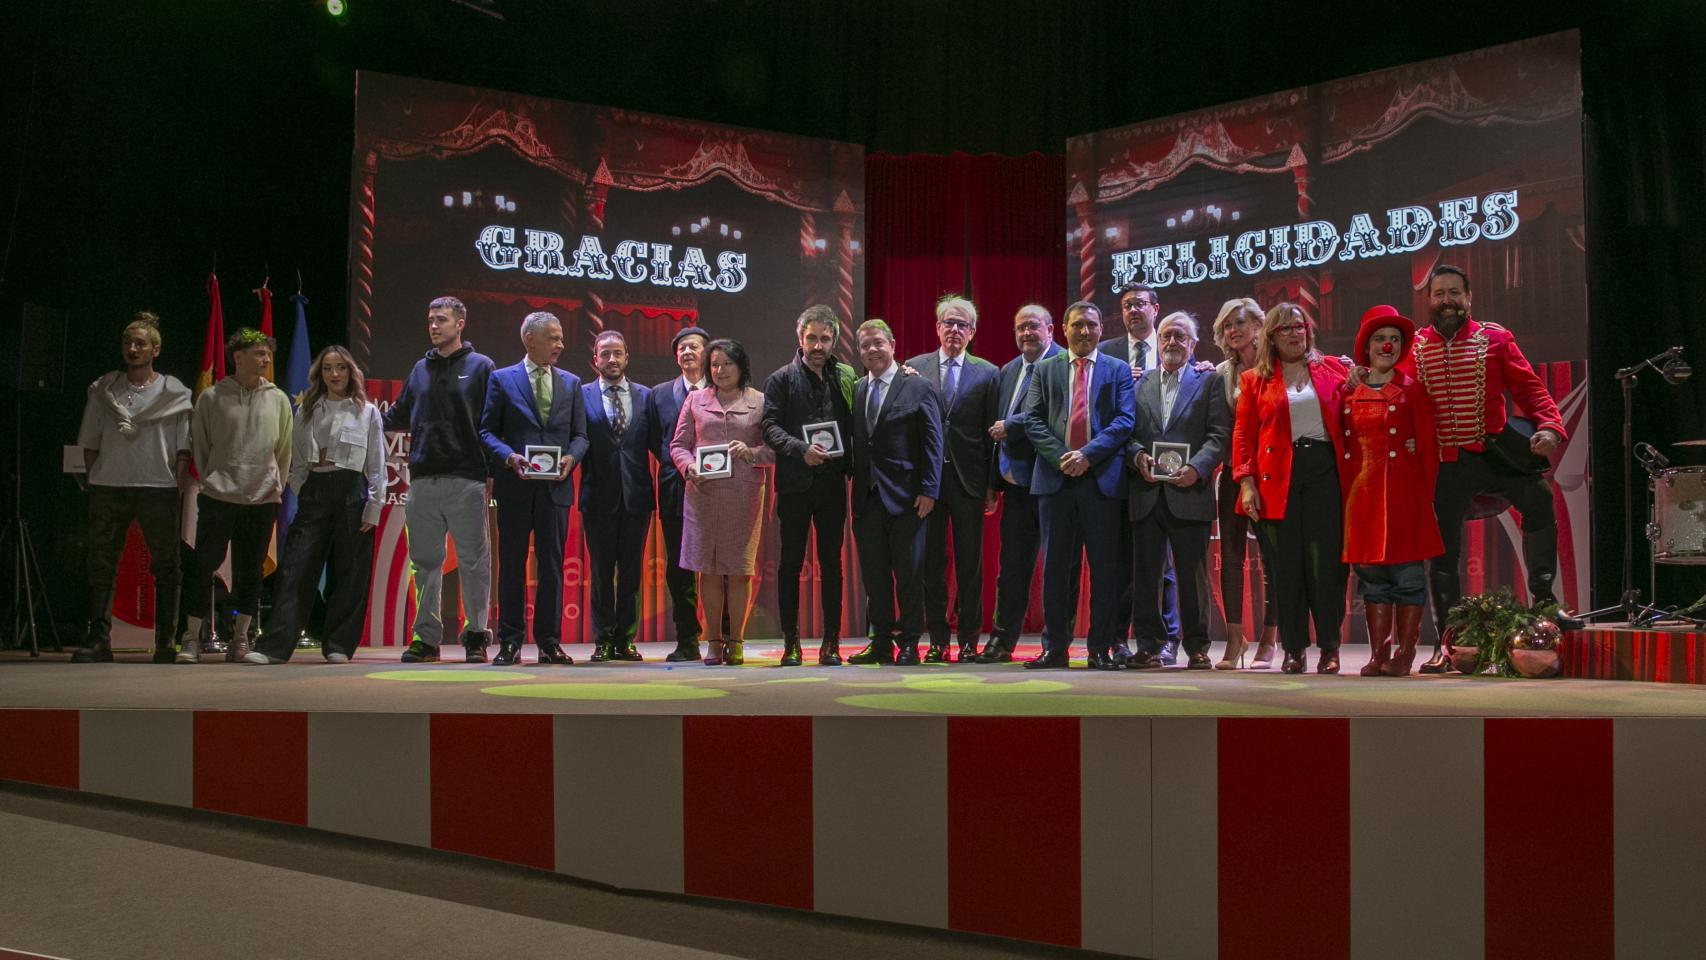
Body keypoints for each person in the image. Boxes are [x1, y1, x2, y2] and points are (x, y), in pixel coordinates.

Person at [1401, 264, 1567, 673]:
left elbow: (1530, 389)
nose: (1447, 300)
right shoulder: (1413, 348)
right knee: (1441, 551)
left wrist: (1550, 426)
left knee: (1540, 499)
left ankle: (1544, 603)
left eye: (1454, 293)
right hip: (1444, 462)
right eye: (1439, 293)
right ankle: (1448, 641)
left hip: (1494, 451)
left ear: (1468, 298)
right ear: (1429, 300)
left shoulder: (1494, 338)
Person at [244, 346, 385, 664]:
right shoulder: (307, 410)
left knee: (349, 572)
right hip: (315, 491)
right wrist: (305, 491)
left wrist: (374, 505)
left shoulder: (367, 411)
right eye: (328, 369)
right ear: (319, 374)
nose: (335, 375)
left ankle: (338, 645)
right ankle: (274, 647)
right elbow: (296, 466)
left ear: (351, 372)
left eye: (341, 368)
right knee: (296, 569)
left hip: (353, 491)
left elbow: (377, 464)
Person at [1230, 303, 1348, 674]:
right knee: (1285, 569)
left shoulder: (1335, 369)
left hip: (1325, 472)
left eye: (1300, 327)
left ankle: (1330, 648)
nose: (1295, 333)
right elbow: (1243, 436)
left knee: (1326, 567)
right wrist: (1246, 483)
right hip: (1275, 478)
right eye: (1286, 329)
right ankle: (1293, 649)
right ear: (1272, 337)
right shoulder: (1254, 379)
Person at [381, 296, 496, 663]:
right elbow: (397, 414)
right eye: (430, 319)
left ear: (460, 324)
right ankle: (426, 639)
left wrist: (491, 472)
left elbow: (491, 423)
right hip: (423, 480)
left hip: (467, 478)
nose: (433, 326)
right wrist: (357, 409)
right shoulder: (419, 370)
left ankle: (476, 634)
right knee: (425, 563)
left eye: (441, 320)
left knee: (473, 562)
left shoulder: (481, 367)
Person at [73, 312, 193, 663]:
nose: (132, 348)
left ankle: (165, 641)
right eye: (128, 342)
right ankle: (99, 639)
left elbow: (183, 447)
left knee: (166, 563)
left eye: (140, 343)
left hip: (157, 484)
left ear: (155, 349)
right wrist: (94, 476)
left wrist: (179, 483)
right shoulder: (104, 390)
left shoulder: (173, 393)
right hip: (110, 484)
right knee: (101, 561)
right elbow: (90, 439)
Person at [1023, 301, 1136, 670]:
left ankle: (1100, 649)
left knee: (1105, 570)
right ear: (1064, 330)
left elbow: (1124, 421)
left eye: (1091, 325)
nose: (1084, 332)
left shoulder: (1117, 370)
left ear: (1101, 328)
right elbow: (1034, 421)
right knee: (1055, 569)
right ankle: (1054, 648)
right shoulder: (1044, 369)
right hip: (1055, 481)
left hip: (1101, 480)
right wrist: (1063, 457)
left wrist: (1087, 454)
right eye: (1077, 326)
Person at [477, 312, 589, 667]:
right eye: (553, 338)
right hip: (515, 487)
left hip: (555, 490)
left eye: (560, 338)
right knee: (511, 564)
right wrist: (509, 457)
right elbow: (486, 432)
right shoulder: (501, 379)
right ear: (529, 340)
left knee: (552, 566)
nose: (561, 345)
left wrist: (572, 458)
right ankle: (510, 642)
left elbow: (581, 436)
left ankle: (549, 642)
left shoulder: (571, 383)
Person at [1339, 305, 1442, 677]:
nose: (1388, 345)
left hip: (1403, 495)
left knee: (1408, 577)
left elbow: (1428, 447)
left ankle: (1405, 654)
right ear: (1366, 347)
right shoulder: (1347, 392)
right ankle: (1378, 655)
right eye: (1381, 339)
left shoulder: (1412, 390)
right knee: (1372, 579)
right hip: (1362, 495)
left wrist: (1420, 493)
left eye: (1395, 340)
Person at [178, 328, 292, 663]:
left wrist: (274, 485)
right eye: (259, 353)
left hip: (261, 500)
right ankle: (191, 639)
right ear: (238, 357)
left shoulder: (279, 399)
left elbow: (284, 450)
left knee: (251, 571)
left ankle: (241, 638)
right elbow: (201, 448)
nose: (266, 359)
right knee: (202, 566)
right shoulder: (212, 398)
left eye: (268, 354)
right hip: (219, 496)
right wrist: (217, 479)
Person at [1125, 313, 1228, 670]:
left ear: (1193, 344)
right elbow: (1126, 433)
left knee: (1192, 576)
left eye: (1180, 337)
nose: (1172, 343)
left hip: (1190, 493)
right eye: (1167, 336)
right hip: (1146, 491)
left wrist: (1196, 468)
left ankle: (1197, 648)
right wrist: (1137, 456)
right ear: (1158, 341)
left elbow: (1218, 435)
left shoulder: (1209, 381)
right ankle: (1149, 646)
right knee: (1146, 576)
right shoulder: (1139, 383)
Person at [904, 295, 1000, 663]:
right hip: (927, 484)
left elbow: (992, 434)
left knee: (969, 564)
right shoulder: (913, 367)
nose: (954, 329)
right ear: (937, 327)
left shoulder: (988, 372)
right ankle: (939, 639)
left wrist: (993, 484)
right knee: (930, 564)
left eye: (962, 324)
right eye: (948, 322)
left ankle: (969, 640)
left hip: (969, 481)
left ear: (972, 331)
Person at [762, 305, 856, 666]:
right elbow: (769, 428)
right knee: (790, 565)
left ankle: (831, 643)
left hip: (832, 484)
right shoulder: (781, 379)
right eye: (812, 338)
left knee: (833, 564)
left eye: (826, 338)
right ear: (800, 338)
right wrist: (801, 450)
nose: (819, 345)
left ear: (834, 340)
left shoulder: (845, 376)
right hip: (795, 484)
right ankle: (792, 644)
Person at [670, 339, 774, 665]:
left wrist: (751, 453)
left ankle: (737, 641)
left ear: (740, 366)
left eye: (727, 363)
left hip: (743, 495)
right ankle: (714, 642)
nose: (720, 370)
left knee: (739, 570)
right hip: (703, 495)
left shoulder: (760, 401)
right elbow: (679, 445)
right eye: (714, 364)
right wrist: (688, 468)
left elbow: (774, 449)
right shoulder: (695, 400)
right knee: (709, 571)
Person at [848, 320, 942, 666]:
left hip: (908, 499)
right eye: (865, 346)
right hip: (867, 499)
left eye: (878, 343)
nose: (872, 350)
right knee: (875, 577)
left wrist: (929, 489)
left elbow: (933, 442)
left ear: (892, 343)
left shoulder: (918, 387)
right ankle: (882, 642)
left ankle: (909, 643)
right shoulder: (858, 389)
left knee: (909, 575)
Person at [1100, 283, 1181, 662]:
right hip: (1118, 469)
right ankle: (1116, 639)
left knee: (1161, 565)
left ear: (1156, 308)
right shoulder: (1106, 353)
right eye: (1127, 305)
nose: (1134, 311)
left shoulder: (1172, 348)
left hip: (1165, 471)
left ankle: (1166, 640)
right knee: (1119, 562)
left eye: (1141, 304)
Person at [981, 304, 1064, 662]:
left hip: (1053, 482)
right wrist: (992, 484)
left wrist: (1011, 426)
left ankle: (1054, 644)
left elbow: (1049, 417)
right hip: (1015, 485)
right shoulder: (1008, 370)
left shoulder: (1064, 364)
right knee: (1011, 568)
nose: (1026, 334)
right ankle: (1002, 641)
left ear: (1050, 329)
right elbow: (993, 433)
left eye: (1033, 326)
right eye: (1020, 328)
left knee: (1056, 568)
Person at [1210, 298, 1278, 669]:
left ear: (1258, 324)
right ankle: (1235, 639)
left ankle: (1270, 638)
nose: (1232, 331)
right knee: (1232, 557)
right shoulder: (1221, 373)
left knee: (1273, 558)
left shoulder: (1279, 366)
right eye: (1226, 326)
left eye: (1238, 323)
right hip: (1235, 473)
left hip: (1274, 474)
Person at [580, 330, 654, 662]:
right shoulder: (580, 396)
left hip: (637, 497)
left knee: (630, 573)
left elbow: (662, 445)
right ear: (595, 359)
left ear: (627, 358)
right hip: (597, 497)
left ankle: (625, 640)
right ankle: (603, 640)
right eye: (605, 353)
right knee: (600, 573)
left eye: (618, 353)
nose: (612, 359)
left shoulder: (646, 396)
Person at [645, 325, 712, 662]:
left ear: (708, 353)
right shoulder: (658, 394)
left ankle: (723, 636)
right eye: (682, 348)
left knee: (718, 565)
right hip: (674, 489)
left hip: (717, 490)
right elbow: (657, 442)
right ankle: (687, 638)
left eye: (694, 347)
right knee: (679, 567)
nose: (687, 352)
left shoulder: (721, 390)